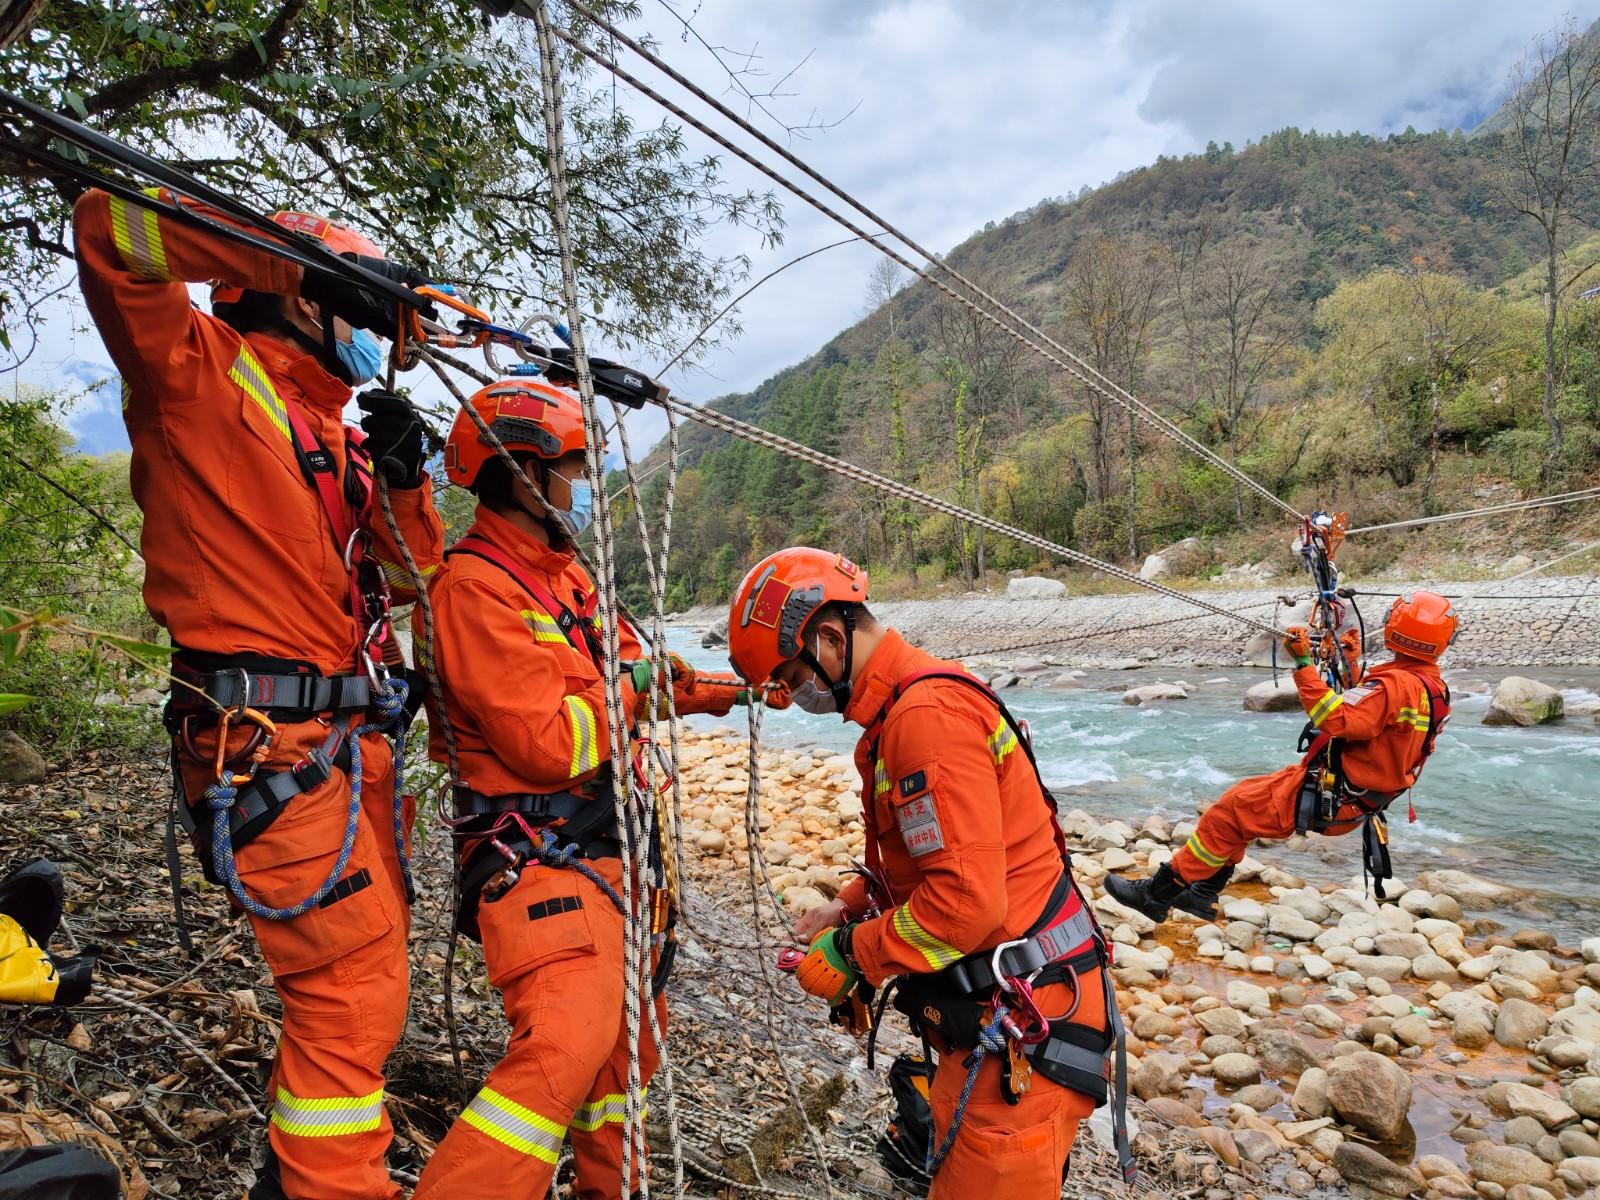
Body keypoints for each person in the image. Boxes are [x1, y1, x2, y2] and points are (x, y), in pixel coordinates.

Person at [73, 193, 445, 1200]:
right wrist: (292, 260)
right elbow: (111, 227)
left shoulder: (337, 438)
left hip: (343, 751)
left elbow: (410, 581)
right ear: (298, 301)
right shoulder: (194, 372)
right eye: (355, 311)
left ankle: (298, 1178)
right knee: (351, 995)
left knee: (366, 992)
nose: (370, 337)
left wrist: (407, 480)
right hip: (271, 750)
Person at [414, 376, 776, 1200]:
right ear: (522, 473)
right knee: (561, 1058)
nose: (587, 486)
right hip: (542, 862)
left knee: (626, 1063)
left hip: (606, 863)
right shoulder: (474, 591)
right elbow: (549, 741)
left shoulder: (565, 577)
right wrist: (637, 683)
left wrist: (739, 690)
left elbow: (645, 673)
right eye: (576, 467)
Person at [727, 547, 1129, 1198]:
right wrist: (852, 906)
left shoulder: (923, 720)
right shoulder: (907, 707)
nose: (793, 696)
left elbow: (966, 905)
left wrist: (854, 954)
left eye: (792, 675)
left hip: (1024, 1029)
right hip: (1006, 1018)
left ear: (830, 638)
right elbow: (932, 856)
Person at [1107, 591, 1457, 924]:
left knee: (1227, 816)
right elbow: (1372, 716)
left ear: (1397, 629)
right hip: (1353, 793)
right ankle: (1202, 890)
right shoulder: (1429, 687)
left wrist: (1303, 663)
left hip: (1337, 795)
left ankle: (1156, 895)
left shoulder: (1394, 686)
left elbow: (1335, 718)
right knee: (1237, 800)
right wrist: (1350, 664)